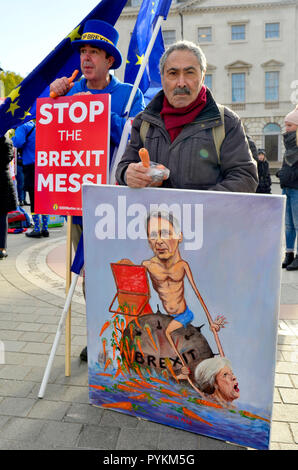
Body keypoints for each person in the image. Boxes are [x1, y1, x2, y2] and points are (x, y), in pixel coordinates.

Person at [50, 19, 145, 361]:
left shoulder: (130, 96)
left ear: (109, 60)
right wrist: (54, 99)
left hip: (119, 204)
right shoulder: (70, 95)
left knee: (125, 271)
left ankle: (131, 339)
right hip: (81, 204)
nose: (86, 58)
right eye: (83, 52)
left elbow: (139, 139)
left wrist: (99, 113)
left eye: (94, 52)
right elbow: (50, 141)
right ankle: (98, 334)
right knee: (89, 272)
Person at [116, 40, 258, 192]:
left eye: (189, 73)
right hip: (154, 215)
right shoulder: (143, 122)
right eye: (173, 73)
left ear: (203, 77)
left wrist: (192, 206)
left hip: (206, 215)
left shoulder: (226, 122)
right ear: (163, 79)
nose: (181, 83)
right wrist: (128, 174)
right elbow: (124, 167)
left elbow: (245, 178)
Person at [142, 210, 226, 393]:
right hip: (167, 314)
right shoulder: (148, 265)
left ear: (179, 237)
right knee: (165, 333)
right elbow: (138, 287)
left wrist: (211, 321)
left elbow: (197, 294)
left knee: (169, 333)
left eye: (165, 233)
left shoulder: (182, 266)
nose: (159, 241)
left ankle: (184, 371)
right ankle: (184, 371)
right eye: (153, 235)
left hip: (183, 313)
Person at [12, 120, 49, 238]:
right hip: (42, 164)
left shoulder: (22, 126)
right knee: (43, 198)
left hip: (31, 165)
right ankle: (45, 228)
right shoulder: (34, 125)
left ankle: (37, 229)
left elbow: (17, 142)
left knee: (34, 198)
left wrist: (12, 136)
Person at [276, 105, 298, 270]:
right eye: (286, 125)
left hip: (296, 189)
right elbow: (289, 167)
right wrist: (281, 173)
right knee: (288, 225)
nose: (286, 128)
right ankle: (289, 253)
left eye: (289, 125)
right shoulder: (290, 146)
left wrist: (289, 175)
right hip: (287, 188)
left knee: (297, 223)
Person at [0, 134, 17, 259]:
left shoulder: (6, 141)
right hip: (4, 180)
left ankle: (2, 247)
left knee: (2, 216)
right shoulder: (8, 140)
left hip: (2, 181)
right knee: (2, 216)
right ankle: (2, 248)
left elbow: (7, 158)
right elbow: (9, 157)